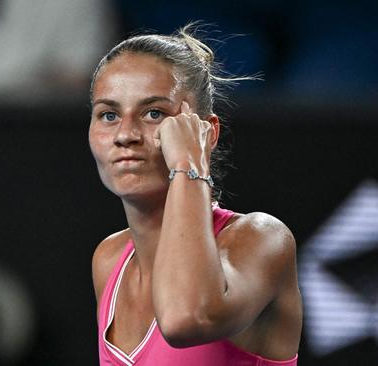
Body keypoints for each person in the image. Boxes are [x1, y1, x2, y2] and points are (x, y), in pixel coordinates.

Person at [88, 24, 302, 365]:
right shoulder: (110, 258)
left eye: (153, 113)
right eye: (109, 115)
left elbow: (185, 318)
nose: (125, 134)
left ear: (206, 131)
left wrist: (188, 161)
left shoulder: (262, 240)